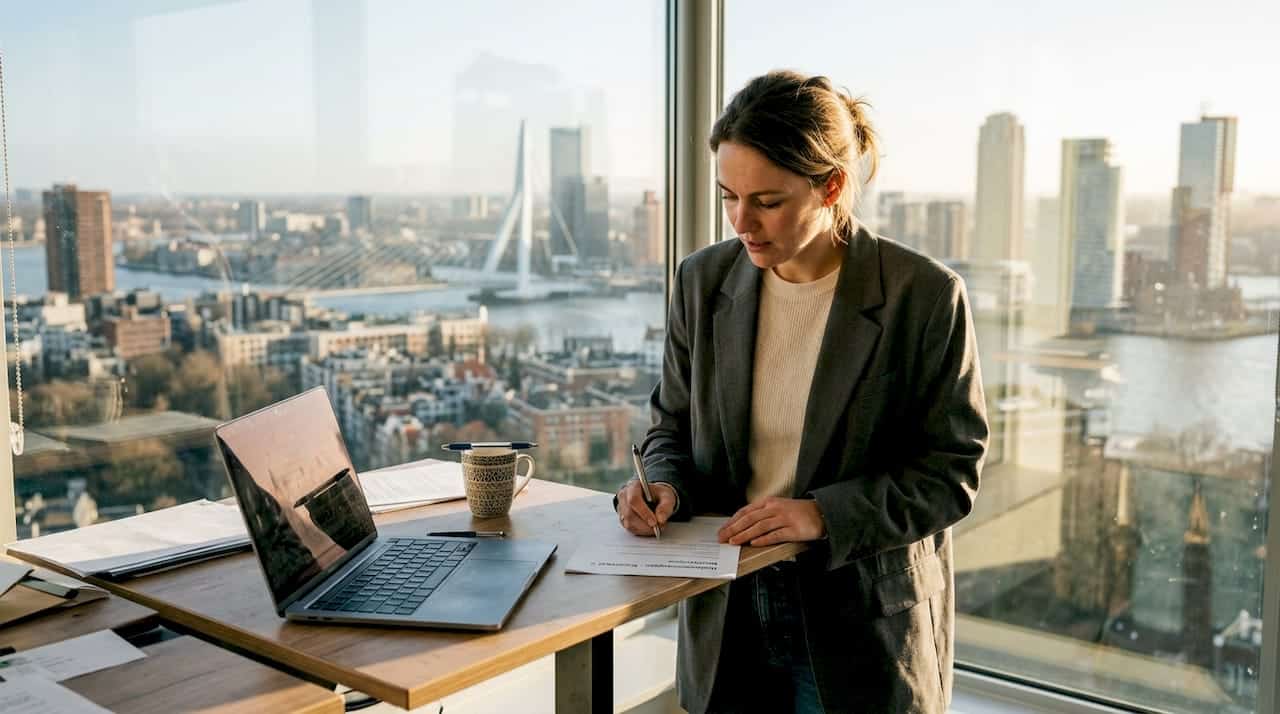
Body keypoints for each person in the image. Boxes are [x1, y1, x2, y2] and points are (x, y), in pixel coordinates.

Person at [615, 70, 989, 714]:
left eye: (767, 201)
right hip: (726, 611)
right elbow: (670, 423)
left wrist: (823, 513)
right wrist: (665, 484)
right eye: (728, 196)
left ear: (833, 185)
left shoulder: (923, 297)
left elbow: (952, 473)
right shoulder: (702, 281)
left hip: (861, 622)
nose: (742, 222)